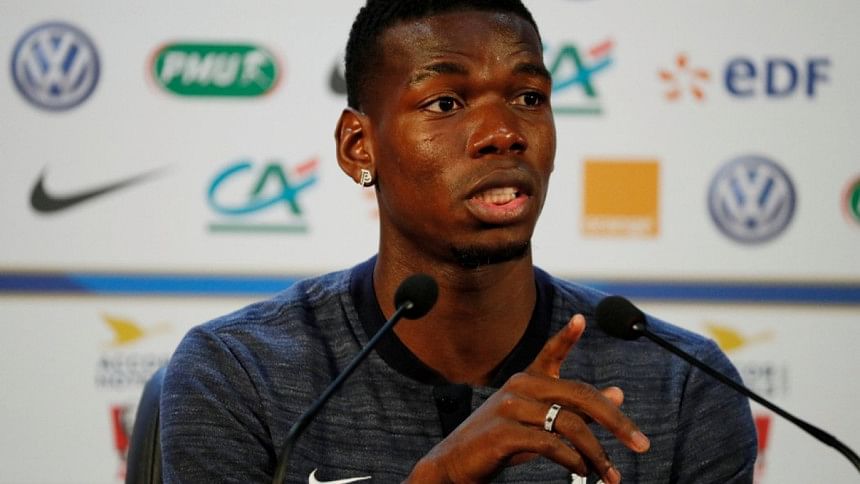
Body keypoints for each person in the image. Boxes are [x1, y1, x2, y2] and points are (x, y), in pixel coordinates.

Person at [159, 1, 757, 482]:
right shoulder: (240, 372)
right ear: (358, 147)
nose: (504, 133)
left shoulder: (680, 385)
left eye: (529, 98)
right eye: (445, 102)